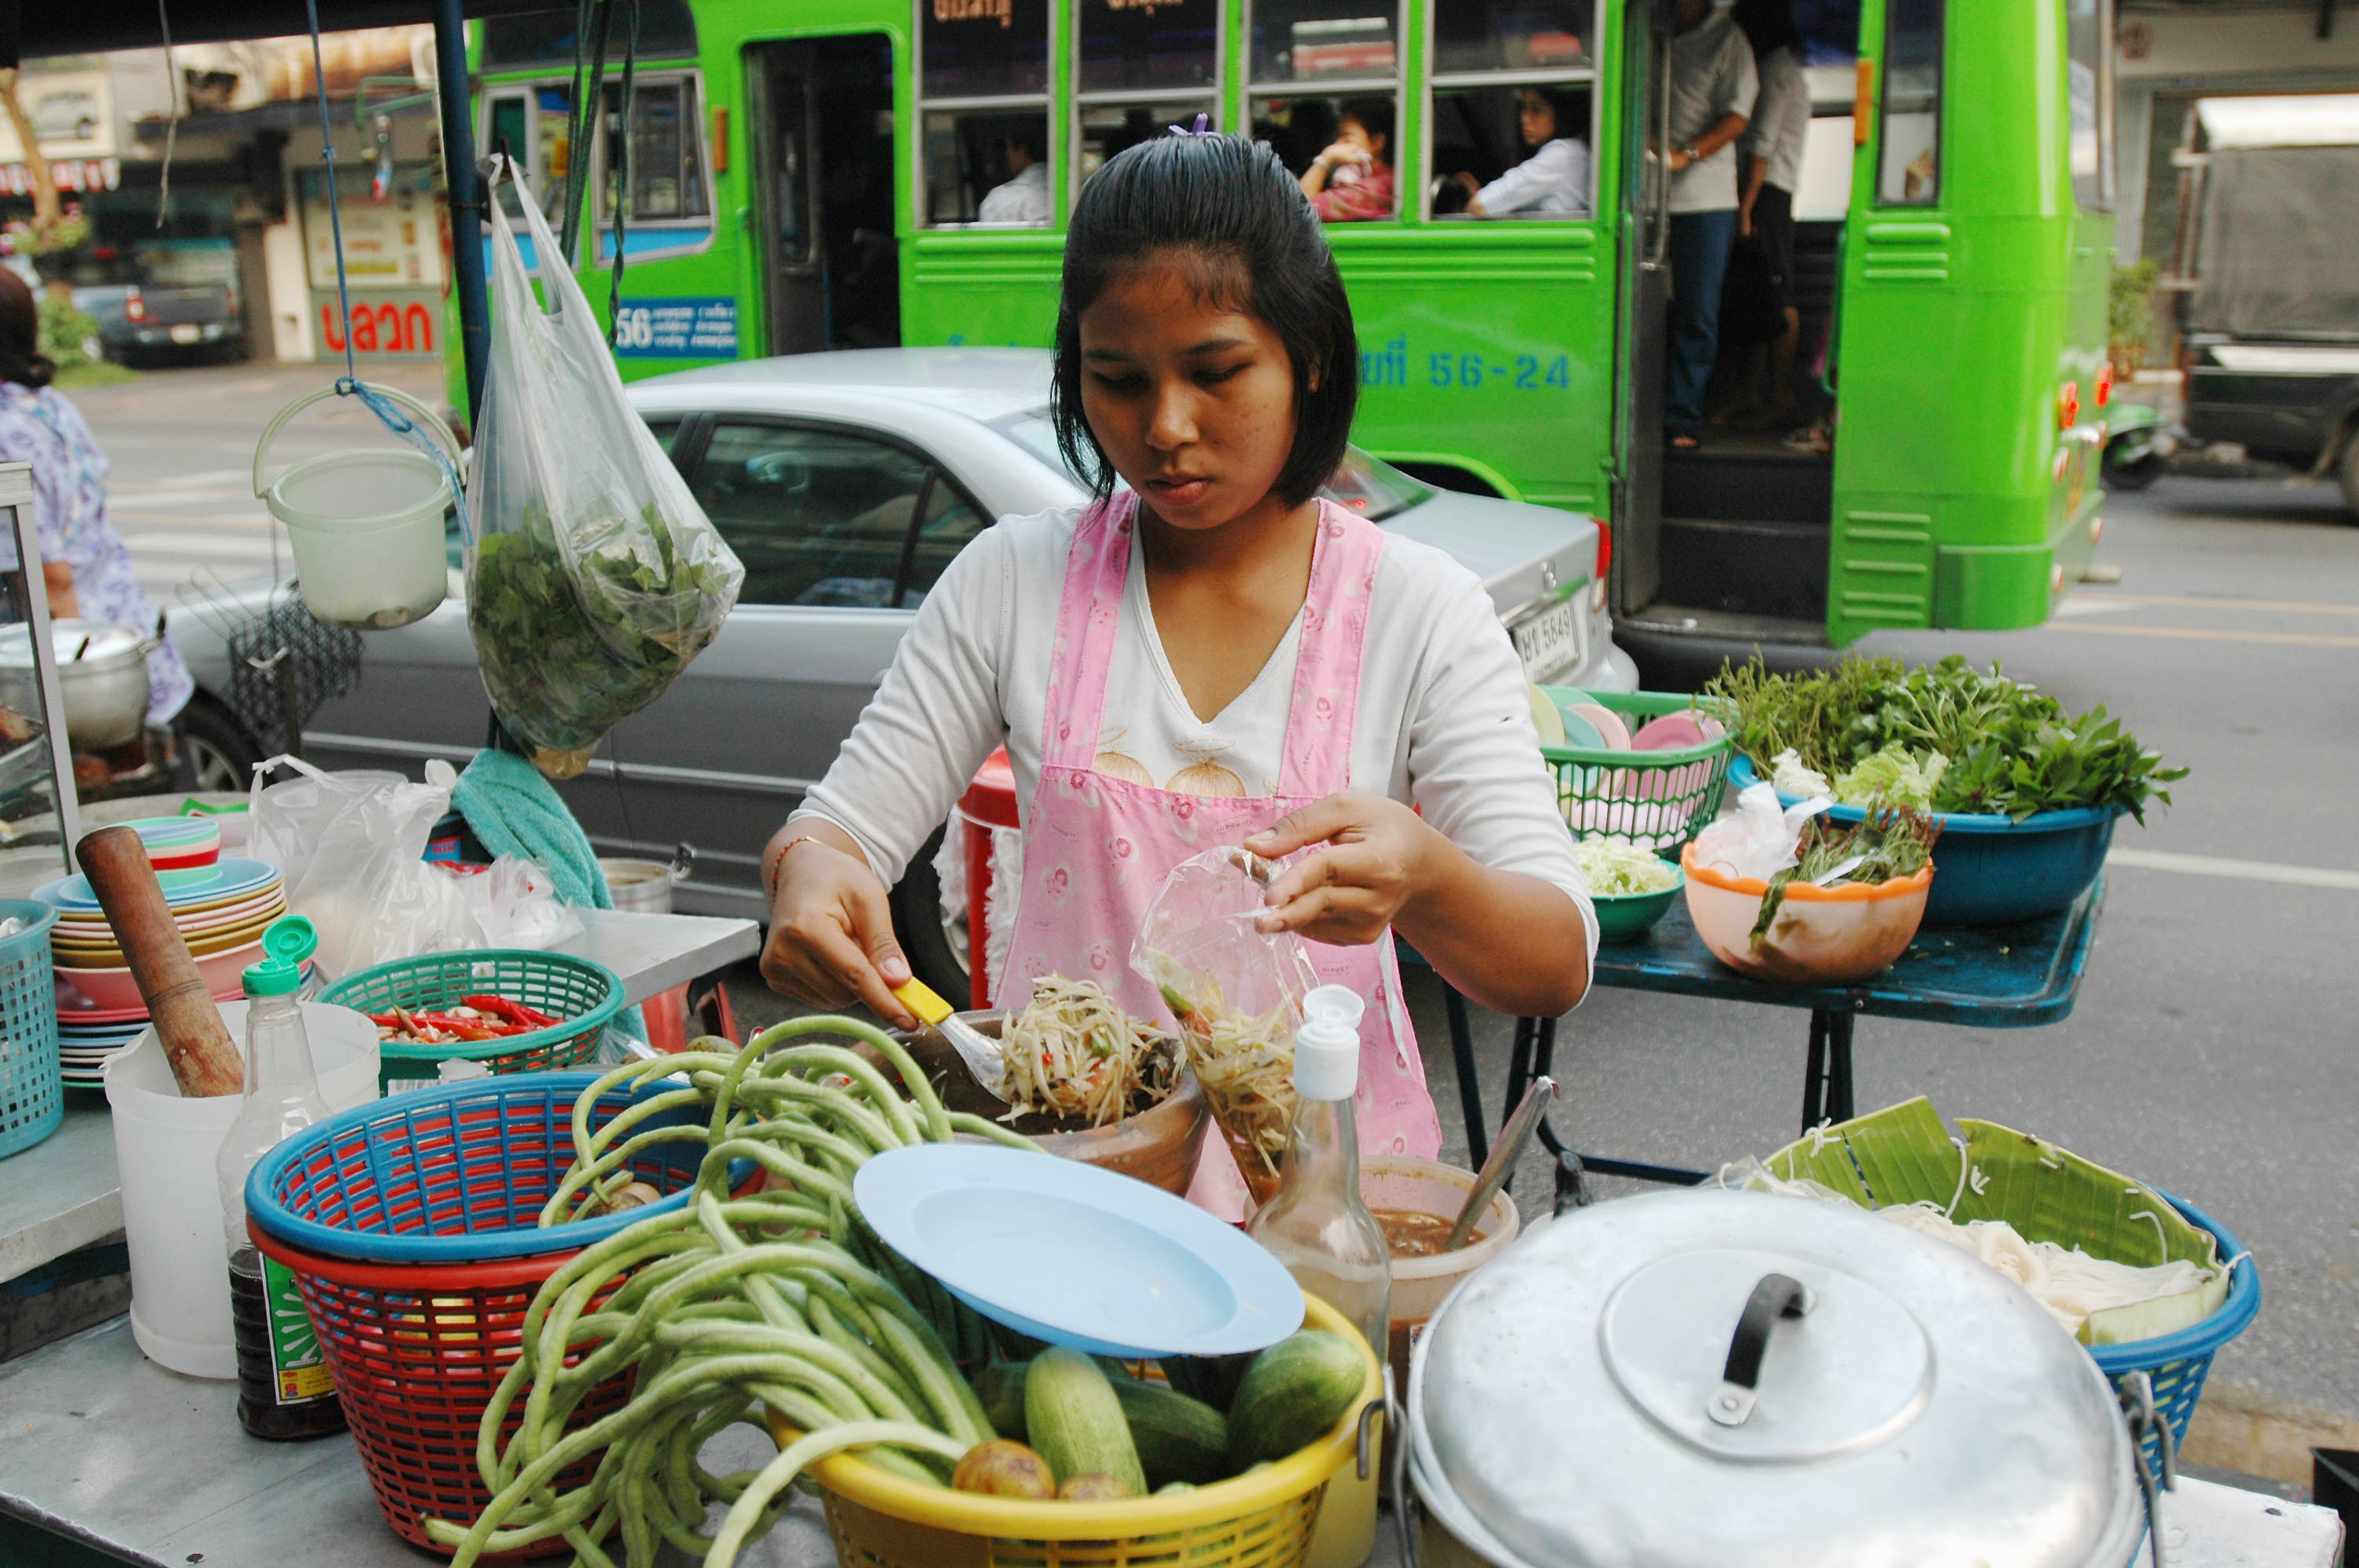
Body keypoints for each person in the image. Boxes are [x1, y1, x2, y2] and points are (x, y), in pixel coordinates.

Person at [759, 130, 1595, 1218]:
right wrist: (811, 877)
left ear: (1313, 360)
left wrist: (1427, 879)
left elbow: (1555, 956)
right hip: (1067, 1197)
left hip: (1328, 1230)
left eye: (1215, 373)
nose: (1164, 429)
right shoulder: (1015, 580)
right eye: (1117, 381)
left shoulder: (1420, 611)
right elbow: (832, 834)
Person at [0, 267, 194, 746]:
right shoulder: (50, 404)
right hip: (130, 642)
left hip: (90, 679)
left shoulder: (5, 430)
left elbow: (52, 577)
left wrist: (71, 693)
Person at [1663, 0, 1757, 448]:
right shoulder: (1650, 28)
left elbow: (1738, 117)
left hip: (1705, 199)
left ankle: (1683, 416)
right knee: (1643, 311)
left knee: (1697, 313)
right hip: (1646, 194)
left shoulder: (1728, 39)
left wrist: (1688, 154)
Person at [1725, 0, 1808, 432]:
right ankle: (1751, 392)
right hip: (1765, 191)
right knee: (1758, 293)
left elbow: (1762, 145)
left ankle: (1780, 394)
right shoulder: (1778, 66)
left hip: (1767, 192)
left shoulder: (1777, 71)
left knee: (1778, 293)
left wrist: (1745, 206)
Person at [1453, 86, 1590, 218]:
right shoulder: (1575, 151)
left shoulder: (1561, 155)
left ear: (1561, 113)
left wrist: (1476, 198)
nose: (1524, 118)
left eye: (1537, 110)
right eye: (1524, 107)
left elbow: (1479, 207)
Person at [1299, 99, 1397, 223]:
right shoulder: (1366, 178)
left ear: (1377, 142)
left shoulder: (1379, 186)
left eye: (1347, 137)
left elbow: (1298, 208)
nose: (1338, 145)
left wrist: (1327, 156)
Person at [978, 128, 1049, 223]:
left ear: (1021, 152)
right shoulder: (1071, 190)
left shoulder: (1000, 201)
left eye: (1008, 148)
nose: (1007, 154)